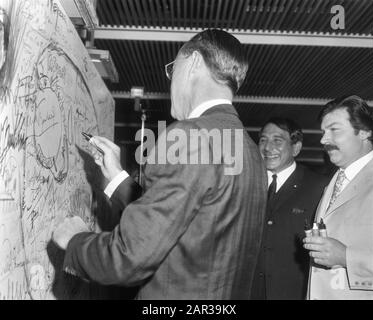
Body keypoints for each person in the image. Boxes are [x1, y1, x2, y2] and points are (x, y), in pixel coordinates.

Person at [52, 29, 267, 299]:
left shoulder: (189, 135)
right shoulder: (249, 150)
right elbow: (189, 223)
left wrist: (75, 241)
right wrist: (117, 178)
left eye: (171, 70)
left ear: (194, 63)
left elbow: (129, 258)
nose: (169, 81)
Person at [303, 95, 373, 299]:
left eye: (334, 130)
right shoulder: (334, 180)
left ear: (364, 132)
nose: (323, 140)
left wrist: (346, 257)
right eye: (323, 132)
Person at [251, 117, 328, 300]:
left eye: (277, 141)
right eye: (263, 140)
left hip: (295, 293)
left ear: (296, 148)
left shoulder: (318, 187)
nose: (268, 148)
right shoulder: (245, 184)